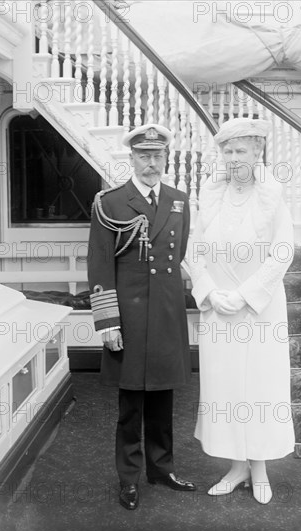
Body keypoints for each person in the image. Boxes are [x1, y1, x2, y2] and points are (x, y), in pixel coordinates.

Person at [87, 123, 195, 511]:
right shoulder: (110, 202)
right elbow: (100, 266)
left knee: (164, 399)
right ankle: (129, 478)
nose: (152, 163)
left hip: (166, 314)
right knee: (131, 405)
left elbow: (177, 253)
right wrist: (108, 322)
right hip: (128, 319)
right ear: (130, 159)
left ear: (167, 158)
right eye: (144, 156)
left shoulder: (179, 199)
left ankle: (161, 469)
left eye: (158, 156)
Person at [188, 117, 295, 504]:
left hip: (258, 313)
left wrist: (246, 294)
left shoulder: (272, 196)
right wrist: (211, 292)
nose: (233, 158)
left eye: (241, 151)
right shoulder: (211, 194)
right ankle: (236, 467)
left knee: (259, 388)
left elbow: (282, 252)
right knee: (226, 388)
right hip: (219, 312)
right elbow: (193, 250)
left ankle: (261, 468)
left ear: (257, 153)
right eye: (227, 151)